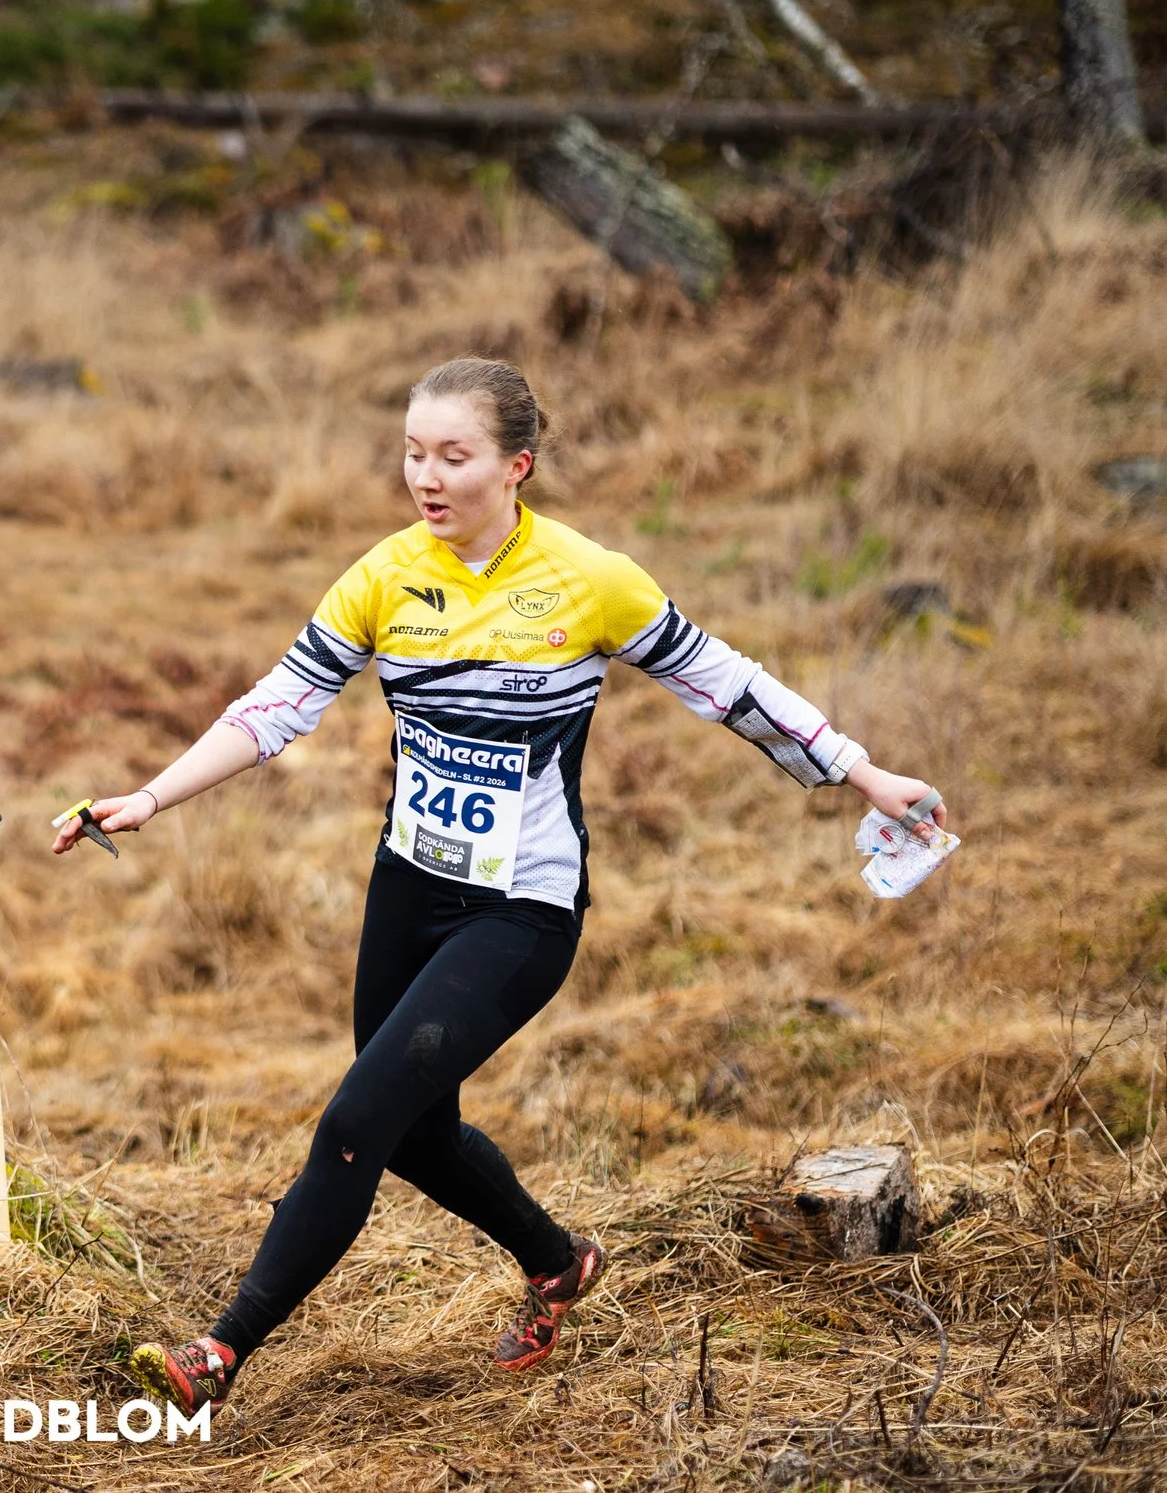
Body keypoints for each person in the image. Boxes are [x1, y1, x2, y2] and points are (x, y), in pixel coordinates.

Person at [57, 357, 948, 1406]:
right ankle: (557, 1259)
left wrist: (860, 769)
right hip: (408, 890)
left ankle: (217, 1351)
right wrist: (150, 798)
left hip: (519, 911)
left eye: (452, 455)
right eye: (410, 451)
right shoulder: (386, 574)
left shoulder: (588, 579)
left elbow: (726, 682)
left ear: (515, 465)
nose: (424, 476)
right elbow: (277, 704)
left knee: (353, 1124)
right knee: (415, 1132)